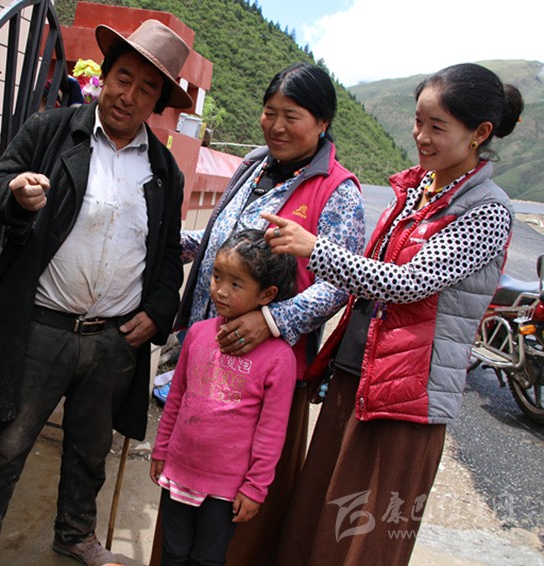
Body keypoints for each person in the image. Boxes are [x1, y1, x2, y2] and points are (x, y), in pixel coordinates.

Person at [0, 19, 194, 566]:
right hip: (42, 325)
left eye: (146, 89)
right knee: (6, 443)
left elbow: (166, 253)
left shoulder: (164, 169)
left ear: (157, 103)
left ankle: (76, 536)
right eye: (123, 78)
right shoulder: (52, 130)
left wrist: (159, 310)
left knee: (90, 449)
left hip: (113, 339)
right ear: (104, 76)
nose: (129, 96)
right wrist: (17, 196)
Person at [264, 62, 524, 565]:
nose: (421, 136)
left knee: (362, 542)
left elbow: (408, 283)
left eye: (437, 126)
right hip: (359, 377)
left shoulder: (487, 210)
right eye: (418, 121)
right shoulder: (418, 191)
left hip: (405, 399)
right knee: (314, 525)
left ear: (480, 133)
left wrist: (315, 250)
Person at [150, 62, 365, 566]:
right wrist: (164, 240)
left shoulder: (338, 191)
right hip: (207, 357)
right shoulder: (252, 166)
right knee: (183, 501)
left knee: (232, 519)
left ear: (323, 122)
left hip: (265, 376)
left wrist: (270, 321)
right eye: (270, 112)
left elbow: (340, 282)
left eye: (292, 116)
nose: (276, 126)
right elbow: (220, 242)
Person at [150, 230, 298, 566]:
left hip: (225, 487)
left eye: (236, 283)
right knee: (172, 553)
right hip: (179, 470)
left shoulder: (278, 358)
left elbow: (271, 431)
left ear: (267, 294)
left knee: (208, 559)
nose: (220, 290)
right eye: (217, 276)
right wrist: (161, 449)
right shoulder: (198, 333)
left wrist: (255, 487)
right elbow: (177, 397)